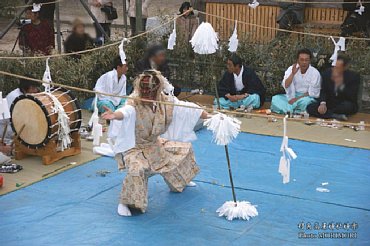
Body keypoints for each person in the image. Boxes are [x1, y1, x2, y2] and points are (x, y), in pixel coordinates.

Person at [102, 70, 208, 216]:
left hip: (155, 145)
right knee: (136, 170)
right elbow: (126, 112)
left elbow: (187, 109)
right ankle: (126, 202)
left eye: (150, 92)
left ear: (157, 91)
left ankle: (179, 182)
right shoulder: (134, 102)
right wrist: (115, 115)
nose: (146, 94)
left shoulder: (164, 101)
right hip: (136, 148)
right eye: (143, 91)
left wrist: (210, 117)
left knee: (183, 150)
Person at [306, 55, 360, 121]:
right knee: (310, 107)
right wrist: (323, 103)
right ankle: (334, 115)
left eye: (339, 67)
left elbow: (352, 96)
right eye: (335, 66)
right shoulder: (327, 73)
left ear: (345, 67)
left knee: (347, 106)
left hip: (343, 102)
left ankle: (329, 114)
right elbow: (323, 90)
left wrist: (340, 85)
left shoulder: (353, 77)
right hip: (330, 102)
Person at [271, 48, 321, 114]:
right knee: (276, 99)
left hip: (305, 97)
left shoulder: (315, 73)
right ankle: (296, 111)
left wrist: (296, 99)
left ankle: (289, 110)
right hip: (292, 96)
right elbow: (286, 85)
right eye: (302, 60)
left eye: (306, 60)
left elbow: (312, 92)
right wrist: (293, 73)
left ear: (310, 61)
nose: (304, 62)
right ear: (297, 60)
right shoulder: (291, 69)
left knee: (306, 103)